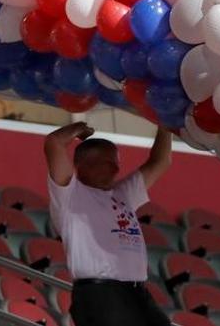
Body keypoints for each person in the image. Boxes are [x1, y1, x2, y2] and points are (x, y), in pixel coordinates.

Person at [45, 122, 173, 326]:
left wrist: (165, 124)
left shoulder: (123, 194)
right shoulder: (70, 195)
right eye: (108, 162)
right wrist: (80, 128)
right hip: (100, 294)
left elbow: (161, 161)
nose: (116, 168)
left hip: (136, 291)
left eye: (116, 162)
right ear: (84, 164)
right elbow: (54, 142)